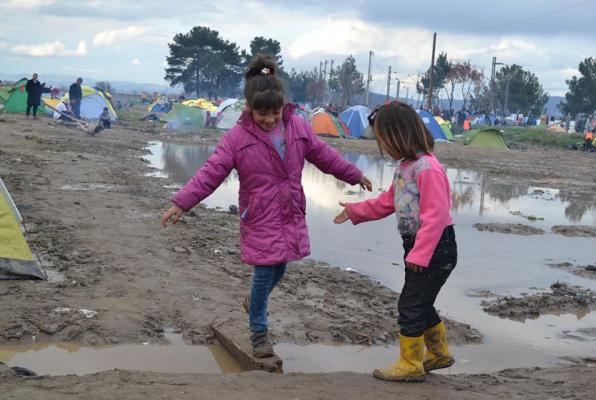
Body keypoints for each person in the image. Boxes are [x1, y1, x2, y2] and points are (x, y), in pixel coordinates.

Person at [161, 54, 372, 358]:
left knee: (280, 268)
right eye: (263, 114)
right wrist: (181, 203)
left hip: (289, 210)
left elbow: (325, 156)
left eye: (275, 112)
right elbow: (211, 173)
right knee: (264, 272)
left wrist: (354, 175)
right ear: (249, 108)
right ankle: (259, 333)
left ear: (282, 105)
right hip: (259, 214)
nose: (270, 119)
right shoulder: (237, 138)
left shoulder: (298, 127)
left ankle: (254, 302)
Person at [334, 101, 456, 383]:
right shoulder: (406, 167)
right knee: (420, 301)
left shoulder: (427, 168)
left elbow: (436, 216)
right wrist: (355, 211)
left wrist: (420, 255)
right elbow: (389, 202)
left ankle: (411, 362)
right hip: (418, 247)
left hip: (435, 248)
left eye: (383, 140)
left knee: (410, 305)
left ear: (400, 135)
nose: (382, 147)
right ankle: (438, 353)